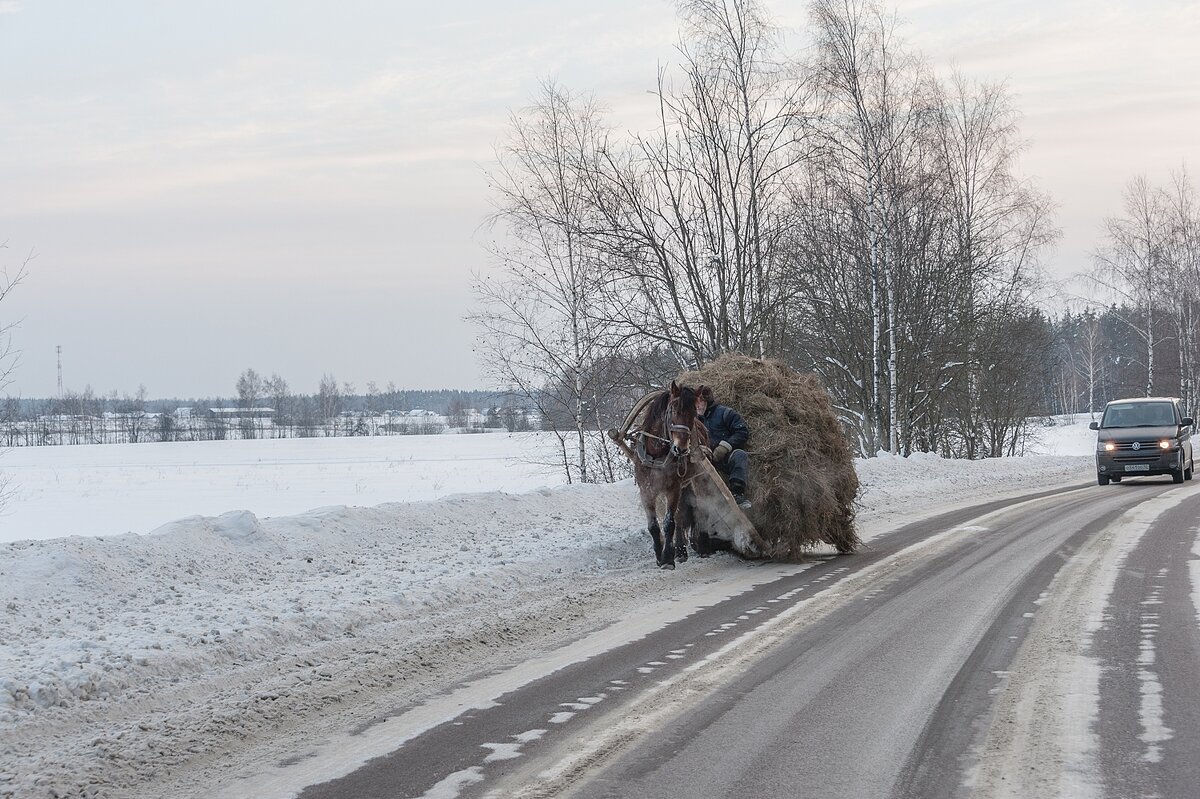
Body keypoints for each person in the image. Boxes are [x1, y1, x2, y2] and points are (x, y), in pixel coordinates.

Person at [696, 386, 752, 510]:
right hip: (704, 461)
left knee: (739, 455)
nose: (697, 406)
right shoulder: (693, 419)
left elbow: (742, 432)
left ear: (707, 401)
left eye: (700, 402)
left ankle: (737, 493)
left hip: (725, 458)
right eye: (695, 403)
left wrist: (724, 447)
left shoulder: (725, 413)